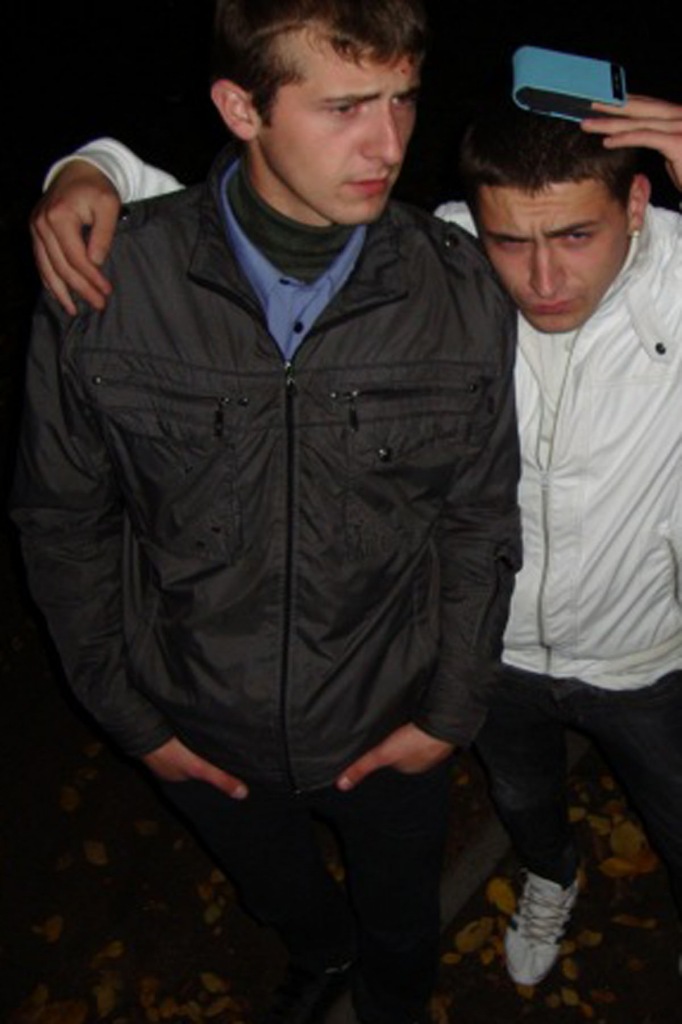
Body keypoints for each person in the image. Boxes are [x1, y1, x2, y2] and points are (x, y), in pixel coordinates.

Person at [30, 86, 682, 993]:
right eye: (509, 241)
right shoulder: (444, 258)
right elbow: (245, 208)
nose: (542, 280)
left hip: (645, 656)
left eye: (577, 236)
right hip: (491, 656)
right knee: (523, 796)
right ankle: (548, 873)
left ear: (638, 204)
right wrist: (91, 169)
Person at [11, 2, 521, 1023]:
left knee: (402, 919)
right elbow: (63, 520)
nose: (388, 144)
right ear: (241, 108)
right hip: (195, 720)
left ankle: (389, 995)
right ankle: (319, 954)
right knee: (279, 891)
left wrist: (447, 715)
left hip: (388, 717)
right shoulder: (111, 279)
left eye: (402, 99)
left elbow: (478, 518)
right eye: (344, 107)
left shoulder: (455, 285)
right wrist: (132, 718)